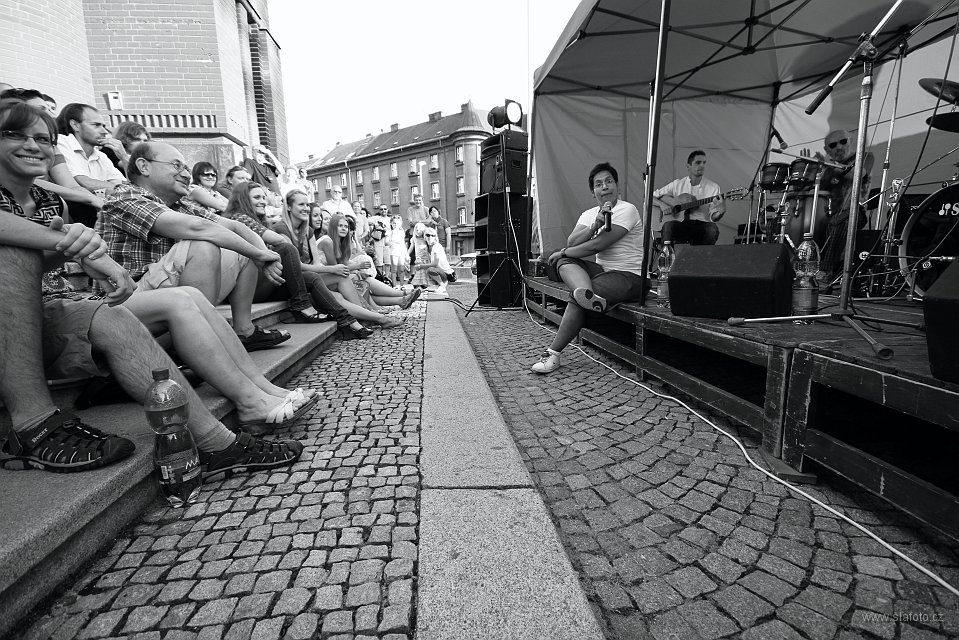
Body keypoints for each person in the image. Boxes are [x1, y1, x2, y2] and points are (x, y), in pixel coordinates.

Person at [0, 100, 303, 474]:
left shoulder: (49, 199)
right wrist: (81, 249)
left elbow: (48, 258)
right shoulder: (126, 194)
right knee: (184, 283)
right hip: (29, 314)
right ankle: (225, 429)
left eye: (43, 138)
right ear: (143, 166)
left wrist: (78, 249)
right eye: (13, 134)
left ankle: (252, 396)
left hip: (61, 304)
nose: (32, 145)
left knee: (185, 296)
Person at [96, 141, 289, 351]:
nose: (187, 174)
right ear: (144, 166)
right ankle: (196, 349)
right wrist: (259, 254)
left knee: (241, 249)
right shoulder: (125, 196)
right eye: (177, 166)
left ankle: (244, 331)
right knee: (203, 245)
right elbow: (199, 228)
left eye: (187, 168)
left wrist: (263, 254)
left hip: (163, 289)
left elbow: (235, 226)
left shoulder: (180, 205)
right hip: (126, 299)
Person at [532, 162, 644, 374]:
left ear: (617, 186)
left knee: (565, 266)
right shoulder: (589, 214)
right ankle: (586, 294)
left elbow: (597, 245)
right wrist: (594, 225)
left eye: (609, 182)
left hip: (630, 276)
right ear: (593, 192)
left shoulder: (627, 209)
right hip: (603, 272)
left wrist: (563, 251)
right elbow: (573, 241)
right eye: (599, 184)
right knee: (563, 263)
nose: (605, 187)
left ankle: (553, 354)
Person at [224, 181, 344, 325]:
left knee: (311, 278)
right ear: (243, 199)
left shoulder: (259, 221)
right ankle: (302, 305)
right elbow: (278, 240)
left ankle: (345, 320)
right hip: (245, 288)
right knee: (287, 249)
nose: (263, 201)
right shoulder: (239, 218)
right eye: (257, 197)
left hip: (262, 283)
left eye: (263, 197)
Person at [271, 190, 376, 339]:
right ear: (288, 207)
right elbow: (296, 266)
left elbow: (316, 261)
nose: (306, 208)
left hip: (309, 277)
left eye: (307, 204)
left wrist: (331, 270)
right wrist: (332, 269)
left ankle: (367, 316)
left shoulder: (308, 231)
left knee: (343, 276)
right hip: (288, 282)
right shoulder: (281, 229)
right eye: (301, 204)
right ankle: (372, 316)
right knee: (338, 285)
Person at [319, 213, 419, 314]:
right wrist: (358, 267)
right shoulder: (328, 242)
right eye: (340, 226)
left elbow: (343, 264)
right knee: (359, 280)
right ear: (333, 227)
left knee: (362, 280)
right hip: (323, 280)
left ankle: (401, 299)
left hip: (333, 278)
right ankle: (399, 297)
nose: (344, 229)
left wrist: (357, 270)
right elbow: (336, 269)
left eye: (346, 226)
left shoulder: (340, 242)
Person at [817, 128, 874, 285]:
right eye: (833, 145)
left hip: (855, 211)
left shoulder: (865, 157)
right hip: (828, 214)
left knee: (840, 220)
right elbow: (817, 190)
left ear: (850, 141)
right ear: (826, 149)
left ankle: (825, 271)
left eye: (843, 142)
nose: (838, 147)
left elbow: (858, 175)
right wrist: (813, 171)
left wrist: (830, 165)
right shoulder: (827, 168)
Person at [652, 150, 724, 245]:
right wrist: (662, 205)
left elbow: (713, 218)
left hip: (701, 225)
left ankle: (703, 258)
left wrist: (720, 212)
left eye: (704, 163)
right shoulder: (677, 184)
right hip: (680, 225)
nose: (702, 165)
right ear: (688, 166)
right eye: (698, 162)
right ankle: (667, 256)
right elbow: (649, 197)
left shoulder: (713, 187)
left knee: (712, 229)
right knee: (668, 225)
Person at [55, 103, 126, 197]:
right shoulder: (61, 142)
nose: (104, 131)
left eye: (103, 126)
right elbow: (83, 183)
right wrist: (122, 190)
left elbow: (124, 184)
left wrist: (124, 157)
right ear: (75, 125)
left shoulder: (101, 156)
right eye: (96, 125)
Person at [417, 226, 455, 296]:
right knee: (427, 269)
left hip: (446, 273)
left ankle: (442, 285)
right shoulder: (429, 247)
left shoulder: (436, 247)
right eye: (428, 235)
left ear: (436, 237)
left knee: (429, 270)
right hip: (440, 271)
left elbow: (434, 263)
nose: (430, 237)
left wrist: (421, 266)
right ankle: (434, 285)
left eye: (433, 235)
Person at [387, 214, 408, 285]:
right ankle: (394, 285)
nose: (396, 225)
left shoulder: (402, 232)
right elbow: (386, 242)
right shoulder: (390, 232)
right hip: (393, 251)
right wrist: (392, 242)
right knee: (394, 269)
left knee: (401, 269)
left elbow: (403, 243)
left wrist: (406, 253)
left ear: (401, 223)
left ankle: (402, 285)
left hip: (401, 251)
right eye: (394, 223)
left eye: (398, 223)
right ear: (391, 223)